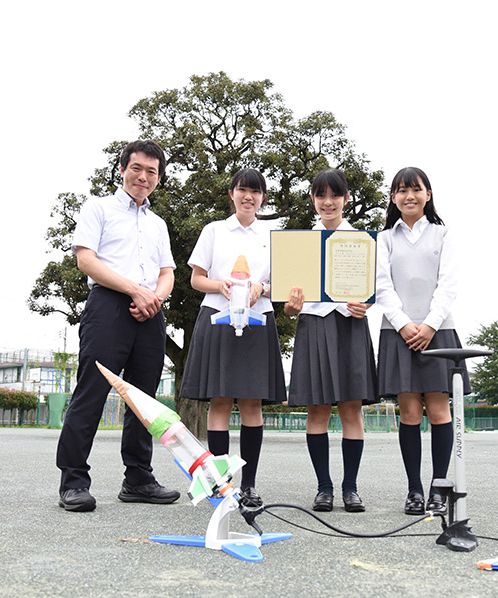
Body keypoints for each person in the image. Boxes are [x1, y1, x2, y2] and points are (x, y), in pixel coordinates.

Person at [56, 140, 180, 512]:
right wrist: (134, 292)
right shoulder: (99, 207)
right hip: (108, 306)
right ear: (123, 168)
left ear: (159, 177)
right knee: (92, 392)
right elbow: (87, 261)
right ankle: (73, 482)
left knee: (144, 400)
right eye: (137, 168)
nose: (143, 177)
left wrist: (154, 299)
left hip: (150, 312)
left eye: (152, 171)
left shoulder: (158, 224)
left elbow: (167, 272)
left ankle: (138, 478)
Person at [180, 168, 286, 508]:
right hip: (217, 318)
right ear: (232, 193)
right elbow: (197, 279)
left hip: (258, 320)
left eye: (255, 192)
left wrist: (262, 287)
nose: (248, 197)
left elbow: (282, 284)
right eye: (242, 190)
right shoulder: (214, 231)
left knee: (252, 403)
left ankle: (250, 484)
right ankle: (219, 482)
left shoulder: (272, 234)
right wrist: (220, 285)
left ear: (263, 198)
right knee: (220, 401)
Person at [376, 166, 470, 516]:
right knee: (411, 412)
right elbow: (382, 287)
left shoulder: (443, 235)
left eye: (415, 189)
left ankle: (438, 487)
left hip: (439, 331)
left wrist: (429, 326)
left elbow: (448, 285)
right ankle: (414, 490)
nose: (409, 195)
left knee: (438, 408)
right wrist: (404, 325)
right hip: (397, 332)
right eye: (401, 190)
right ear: (393, 198)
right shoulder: (384, 239)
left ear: (428, 194)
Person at [284, 169, 377, 513]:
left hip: (349, 326)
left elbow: (376, 286)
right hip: (313, 326)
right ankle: (324, 488)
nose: (328, 202)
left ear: (346, 199)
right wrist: (291, 308)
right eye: (321, 195)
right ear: (313, 199)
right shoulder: (300, 244)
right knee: (317, 410)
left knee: (351, 409)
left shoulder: (362, 241)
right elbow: (289, 301)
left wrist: (366, 302)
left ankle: (350, 488)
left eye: (334, 195)